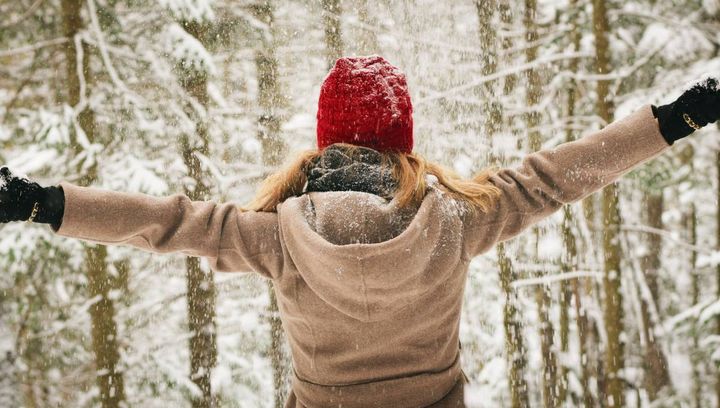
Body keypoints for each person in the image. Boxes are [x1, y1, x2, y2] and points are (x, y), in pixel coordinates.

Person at [0, 55, 718, 407]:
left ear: (322, 143)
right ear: (402, 141)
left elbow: (165, 224)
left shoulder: (277, 235)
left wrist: (42, 203)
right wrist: (676, 118)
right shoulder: (457, 220)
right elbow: (560, 175)